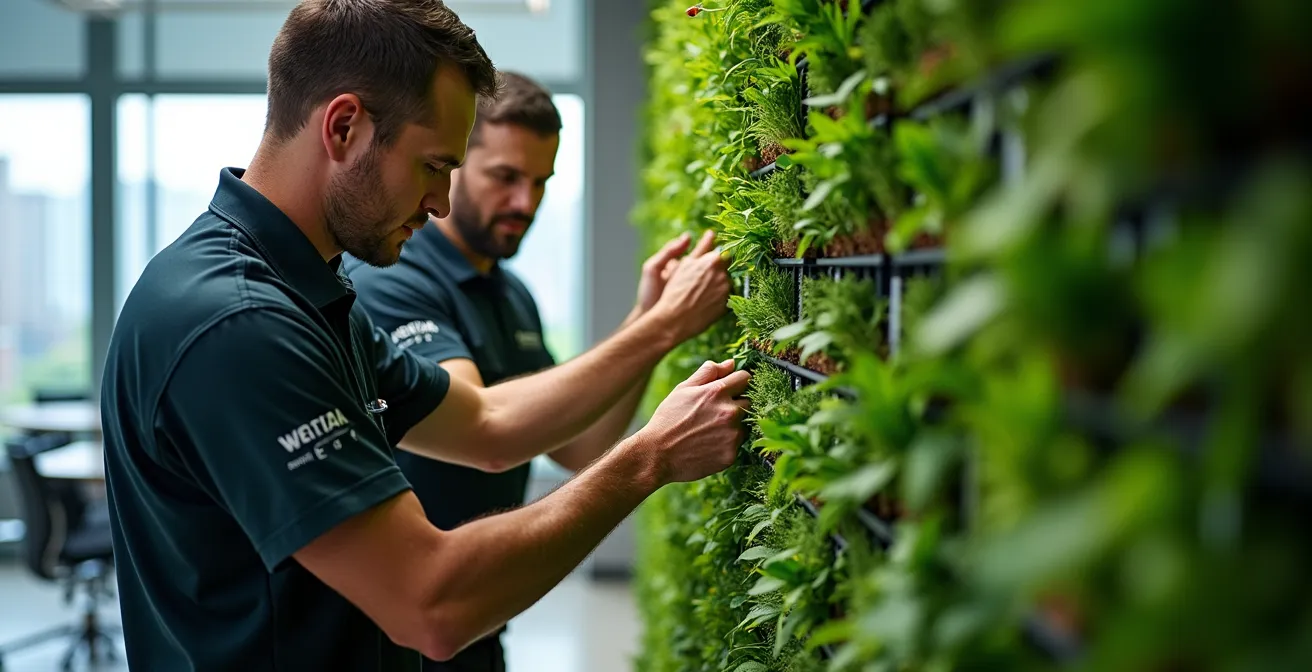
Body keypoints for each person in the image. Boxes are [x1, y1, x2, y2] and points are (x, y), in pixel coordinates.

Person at [98, 2, 748, 670]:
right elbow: (428, 603)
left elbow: (488, 425)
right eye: (434, 165)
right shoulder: (237, 324)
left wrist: (655, 328)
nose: (441, 201)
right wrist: (649, 459)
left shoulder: (309, 294)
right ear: (344, 127)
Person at [347, 72, 705, 671]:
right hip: (396, 638)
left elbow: (579, 444)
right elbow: (481, 427)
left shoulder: (511, 294)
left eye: (541, 182)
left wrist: (646, 320)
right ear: (455, 162)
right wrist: (663, 325)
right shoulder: (392, 277)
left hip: (481, 626)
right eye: (505, 177)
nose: (525, 203)